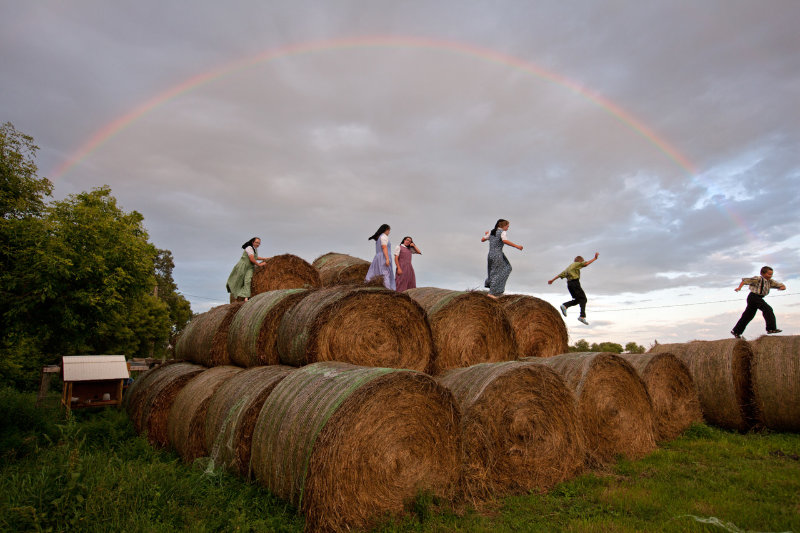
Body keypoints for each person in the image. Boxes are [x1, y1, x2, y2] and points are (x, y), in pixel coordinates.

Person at [731, 266, 786, 338]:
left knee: (748, 316)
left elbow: (781, 285)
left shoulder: (770, 281)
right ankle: (771, 328)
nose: (770, 276)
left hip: (758, 298)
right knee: (767, 309)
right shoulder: (758, 279)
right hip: (753, 297)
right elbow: (745, 281)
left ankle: (736, 331)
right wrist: (739, 288)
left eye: (771, 274)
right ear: (762, 273)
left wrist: (782, 287)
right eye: (769, 274)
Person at [548, 252, 599, 325]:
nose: (581, 266)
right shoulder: (576, 264)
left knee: (578, 300)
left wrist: (552, 280)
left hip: (569, 285)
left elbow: (559, 275)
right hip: (575, 283)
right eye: (581, 262)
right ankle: (582, 316)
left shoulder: (568, 268)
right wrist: (595, 258)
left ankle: (565, 305)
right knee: (583, 299)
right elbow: (586, 264)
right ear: (580, 261)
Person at [481, 219, 523, 298]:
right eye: (507, 226)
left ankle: (496, 290)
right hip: (497, 255)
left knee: (500, 270)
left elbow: (482, 240)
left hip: (490, 255)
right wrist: (517, 246)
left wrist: (487, 235)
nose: (508, 228)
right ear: (503, 226)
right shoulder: (502, 232)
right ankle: (492, 293)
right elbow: (505, 241)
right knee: (499, 272)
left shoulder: (491, 232)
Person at [226, 237, 268, 301]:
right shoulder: (249, 248)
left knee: (248, 280)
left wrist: (264, 258)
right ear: (252, 242)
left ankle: (246, 297)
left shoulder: (255, 249)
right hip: (243, 265)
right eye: (256, 242)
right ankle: (232, 290)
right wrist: (259, 265)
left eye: (259, 243)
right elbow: (251, 258)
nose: (258, 244)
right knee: (238, 280)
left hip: (250, 267)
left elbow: (255, 257)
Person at [365, 223, 395, 290]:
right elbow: (384, 247)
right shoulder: (384, 237)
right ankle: (388, 290)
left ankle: (370, 285)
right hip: (384, 256)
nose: (389, 232)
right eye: (389, 230)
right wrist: (387, 259)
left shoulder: (379, 237)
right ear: (386, 230)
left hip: (378, 257)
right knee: (385, 273)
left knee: (376, 272)